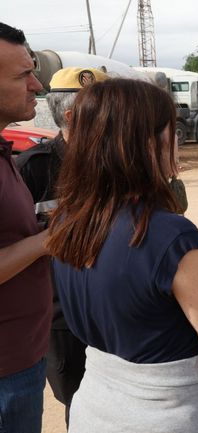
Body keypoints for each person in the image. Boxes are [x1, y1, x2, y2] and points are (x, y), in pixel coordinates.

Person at [46, 78, 198, 433]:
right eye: (172, 133)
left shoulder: (66, 220)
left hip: (96, 405)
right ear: (147, 143)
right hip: (171, 413)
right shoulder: (171, 236)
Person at [15, 66, 108, 427]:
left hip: (112, 306)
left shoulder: (115, 164)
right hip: (61, 316)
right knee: (79, 403)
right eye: (104, 107)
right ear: (73, 117)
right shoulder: (32, 168)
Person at [0, 22, 52, 433]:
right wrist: (48, 240)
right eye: (23, 75)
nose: (37, 85)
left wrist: (44, 224)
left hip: (22, 358)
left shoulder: (6, 150)